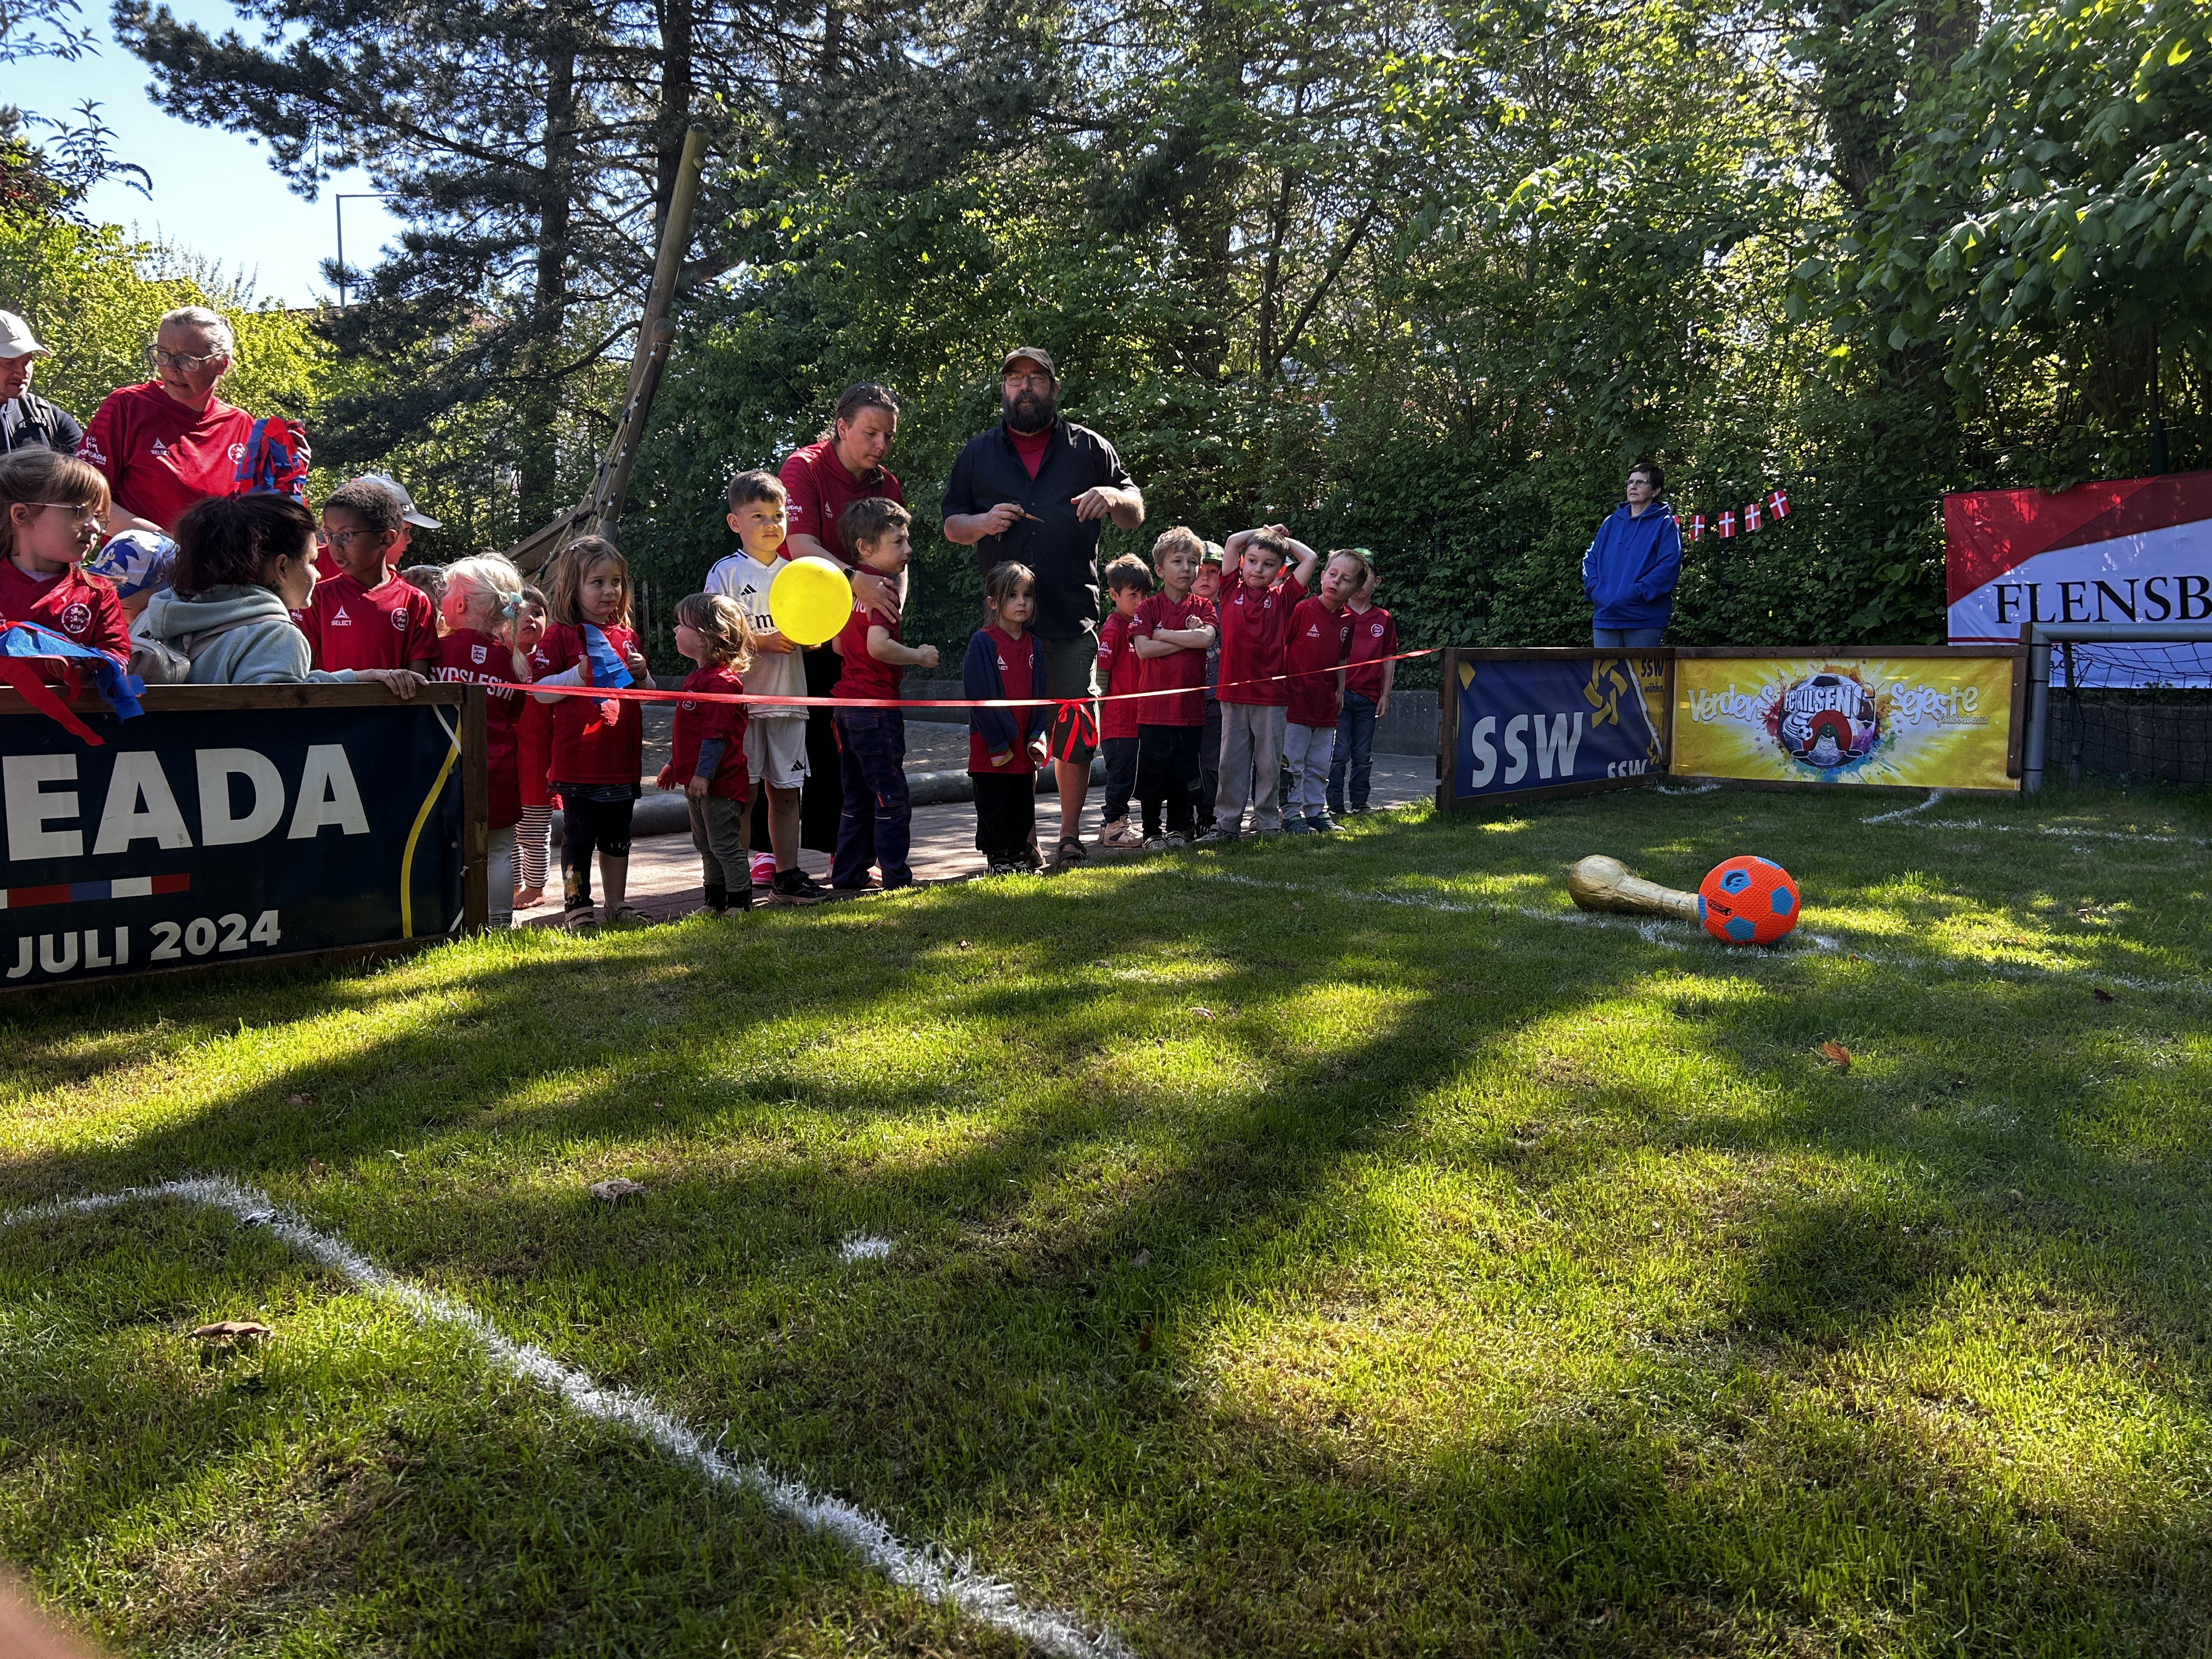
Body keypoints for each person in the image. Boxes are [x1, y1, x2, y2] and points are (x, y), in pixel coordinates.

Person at [941, 346, 1144, 872]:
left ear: (1054, 387)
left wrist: (1111, 495)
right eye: (1015, 379)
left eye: (1036, 378)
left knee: (1074, 732)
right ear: (1004, 390)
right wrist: (983, 522)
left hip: (1072, 616)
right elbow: (951, 526)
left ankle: (1070, 838)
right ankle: (1020, 840)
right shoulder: (978, 453)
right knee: (1013, 732)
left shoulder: (1090, 448)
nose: (1025, 387)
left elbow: (1134, 510)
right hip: (1008, 628)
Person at [780, 384, 906, 862]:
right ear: (842, 427)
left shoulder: (886, 484)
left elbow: (899, 556)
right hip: (807, 623)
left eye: (888, 437)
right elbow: (800, 545)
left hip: (861, 628)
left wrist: (891, 605)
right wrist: (859, 583)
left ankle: (849, 857)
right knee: (807, 735)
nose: (880, 446)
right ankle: (776, 854)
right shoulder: (804, 467)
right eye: (871, 433)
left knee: (860, 747)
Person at [134, 493, 424, 692]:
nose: (319, 573)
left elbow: (280, 690)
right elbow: (280, 731)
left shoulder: (150, 618)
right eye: (311, 562)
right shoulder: (275, 637)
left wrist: (355, 678)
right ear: (282, 568)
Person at [706, 470, 830, 906]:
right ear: (735, 523)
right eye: (758, 515)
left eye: (778, 514)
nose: (771, 523)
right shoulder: (725, 573)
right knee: (744, 794)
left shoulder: (798, 574)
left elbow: (814, 627)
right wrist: (760, 642)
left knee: (787, 792)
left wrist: (811, 635)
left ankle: (787, 875)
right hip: (741, 706)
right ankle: (734, 880)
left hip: (789, 702)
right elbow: (711, 638)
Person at [531, 535, 651, 928]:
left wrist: (642, 674)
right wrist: (576, 676)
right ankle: (577, 907)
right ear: (573, 587)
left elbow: (646, 695)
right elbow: (540, 693)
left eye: (615, 582)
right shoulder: (561, 635)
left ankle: (618, 905)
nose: (609, 591)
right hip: (579, 762)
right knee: (579, 838)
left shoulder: (627, 637)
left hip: (622, 759)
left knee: (618, 837)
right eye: (597, 582)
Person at [829, 498, 938, 893]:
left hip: (845, 709)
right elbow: (878, 645)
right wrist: (918, 656)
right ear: (865, 548)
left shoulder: (848, 590)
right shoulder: (883, 591)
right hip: (876, 709)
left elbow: (841, 647)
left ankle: (847, 875)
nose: (908, 550)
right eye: (899, 542)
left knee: (856, 797)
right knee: (892, 795)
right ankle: (897, 878)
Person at [79, 307, 258, 534]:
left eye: (187, 360)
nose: (171, 369)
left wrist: (291, 467)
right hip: (136, 566)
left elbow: (255, 512)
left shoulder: (241, 425)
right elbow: (84, 497)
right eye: (163, 354)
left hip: (214, 568)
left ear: (221, 364)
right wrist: (165, 545)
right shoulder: (127, 405)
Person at [431, 555, 533, 928]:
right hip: (499, 771)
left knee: (447, 847)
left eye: (446, 592)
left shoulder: (437, 652)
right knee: (501, 849)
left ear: (459, 604)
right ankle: (499, 922)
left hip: (447, 769)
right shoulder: (512, 662)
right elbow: (515, 712)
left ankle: (450, 919)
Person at [1201, 526, 1320, 840]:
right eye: (1252, 561)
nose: (1258, 569)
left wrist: (1281, 540)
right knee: (1231, 763)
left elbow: (1310, 558)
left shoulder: (1283, 598)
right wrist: (1264, 531)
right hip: (1232, 694)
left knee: (1268, 765)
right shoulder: (1229, 590)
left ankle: (1267, 823)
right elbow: (1231, 542)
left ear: (1280, 570)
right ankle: (1227, 825)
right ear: (1242, 563)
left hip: (1271, 697)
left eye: (1268, 564)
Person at [659, 592, 754, 916]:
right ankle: (714, 902)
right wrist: (675, 765)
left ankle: (740, 903)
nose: (675, 631)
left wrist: (704, 774)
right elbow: (690, 734)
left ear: (706, 637)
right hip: (696, 783)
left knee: (724, 845)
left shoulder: (720, 684)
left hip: (719, 784)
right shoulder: (695, 679)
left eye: (681, 625)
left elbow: (716, 736)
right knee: (706, 846)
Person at [1128, 527, 1216, 847]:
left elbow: (1205, 639)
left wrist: (1164, 635)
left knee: (1185, 771)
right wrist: (1186, 640)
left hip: (1191, 712)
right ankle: (1152, 830)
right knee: (1153, 773)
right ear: (1161, 570)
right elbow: (1144, 649)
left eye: (1193, 562)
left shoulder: (1203, 607)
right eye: (1177, 561)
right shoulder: (1148, 608)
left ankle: (1180, 828)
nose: (1186, 569)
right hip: (1153, 712)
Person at [0, 450, 128, 665]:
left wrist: (90, 668)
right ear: (22, 515)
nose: (95, 527)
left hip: (73, 701)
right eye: (79, 512)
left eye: (98, 517)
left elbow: (118, 657)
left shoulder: (98, 593)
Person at [964, 561, 1051, 876]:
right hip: (993, 747)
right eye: (1012, 595)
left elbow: (1041, 697)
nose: (1022, 603)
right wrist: (999, 741)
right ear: (993, 602)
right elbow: (978, 697)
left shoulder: (1035, 646)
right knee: (993, 803)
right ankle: (997, 857)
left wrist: (1037, 735)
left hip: (1023, 747)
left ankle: (1017, 854)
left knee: (1022, 804)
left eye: (1027, 595)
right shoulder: (982, 642)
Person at [300, 478, 438, 676]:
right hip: (330, 708)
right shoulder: (319, 598)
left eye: (347, 535)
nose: (335, 545)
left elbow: (418, 684)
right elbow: (305, 677)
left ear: (385, 539)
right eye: (329, 534)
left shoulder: (414, 602)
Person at [1282, 550, 1364, 834]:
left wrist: (1340, 690)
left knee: (1319, 763)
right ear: (1322, 575)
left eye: (1345, 579)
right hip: (1296, 702)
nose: (1336, 582)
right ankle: (1290, 814)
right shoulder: (1302, 610)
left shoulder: (1348, 621)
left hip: (1326, 705)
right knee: (1292, 762)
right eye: (1332, 574)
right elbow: (1282, 647)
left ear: (1356, 589)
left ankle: (1317, 811)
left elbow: (1342, 658)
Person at [1582, 461, 1683, 647]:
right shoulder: (1611, 523)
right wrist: (1596, 591)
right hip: (1606, 617)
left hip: (1644, 618)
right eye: (1630, 482)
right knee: (1606, 676)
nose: (1633, 487)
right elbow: (1590, 559)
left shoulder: (1665, 524)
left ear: (1656, 491)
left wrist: (1637, 593)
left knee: (1639, 677)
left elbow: (1669, 566)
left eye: (1641, 482)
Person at [1330, 557, 1396, 818]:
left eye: (1363, 577)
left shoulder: (1383, 618)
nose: (1357, 584)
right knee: (1339, 752)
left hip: (1369, 697)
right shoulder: (1337, 613)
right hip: (1340, 696)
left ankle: (1360, 802)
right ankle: (1335, 804)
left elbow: (1389, 658)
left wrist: (1386, 695)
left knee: (1362, 753)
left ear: (1376, 582)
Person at [1092, 553, 1150, 849]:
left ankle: (1111, 824)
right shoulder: (1114, 628)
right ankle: (1115, 824)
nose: (1139, 600)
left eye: (1143, 593)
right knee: (1122, 776)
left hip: (1136, 719)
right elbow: (1101, 674)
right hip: (1119, 722)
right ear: (1114, 595)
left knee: (1130, 774)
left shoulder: (1139, 625)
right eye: (1132, 594)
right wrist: (1102, 709)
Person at [513, 586, 555, 909]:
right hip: (507, 758)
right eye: (522, 613)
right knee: (507, 828)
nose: (531, 619)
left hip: (540, 759)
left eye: (538, 613)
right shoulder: (501, 657)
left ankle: (537, 886)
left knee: (535, 829)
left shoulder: (551, 660)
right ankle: (512, 882)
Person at [0, 311, 84, 456]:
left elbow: (89, 473)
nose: (23, 372)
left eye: (27, 362)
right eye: (9, 362)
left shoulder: (47, 417)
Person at [1192, 543, 1225, 835]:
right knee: (1185, 760)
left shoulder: (1228, 611)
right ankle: (1182, 817)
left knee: (1212, 760)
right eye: (1199, 571)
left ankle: (1208, 813)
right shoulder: (1177, 610)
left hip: (1216, 699)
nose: (1205, 578)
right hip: (1183, 700)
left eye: (1213, 572)